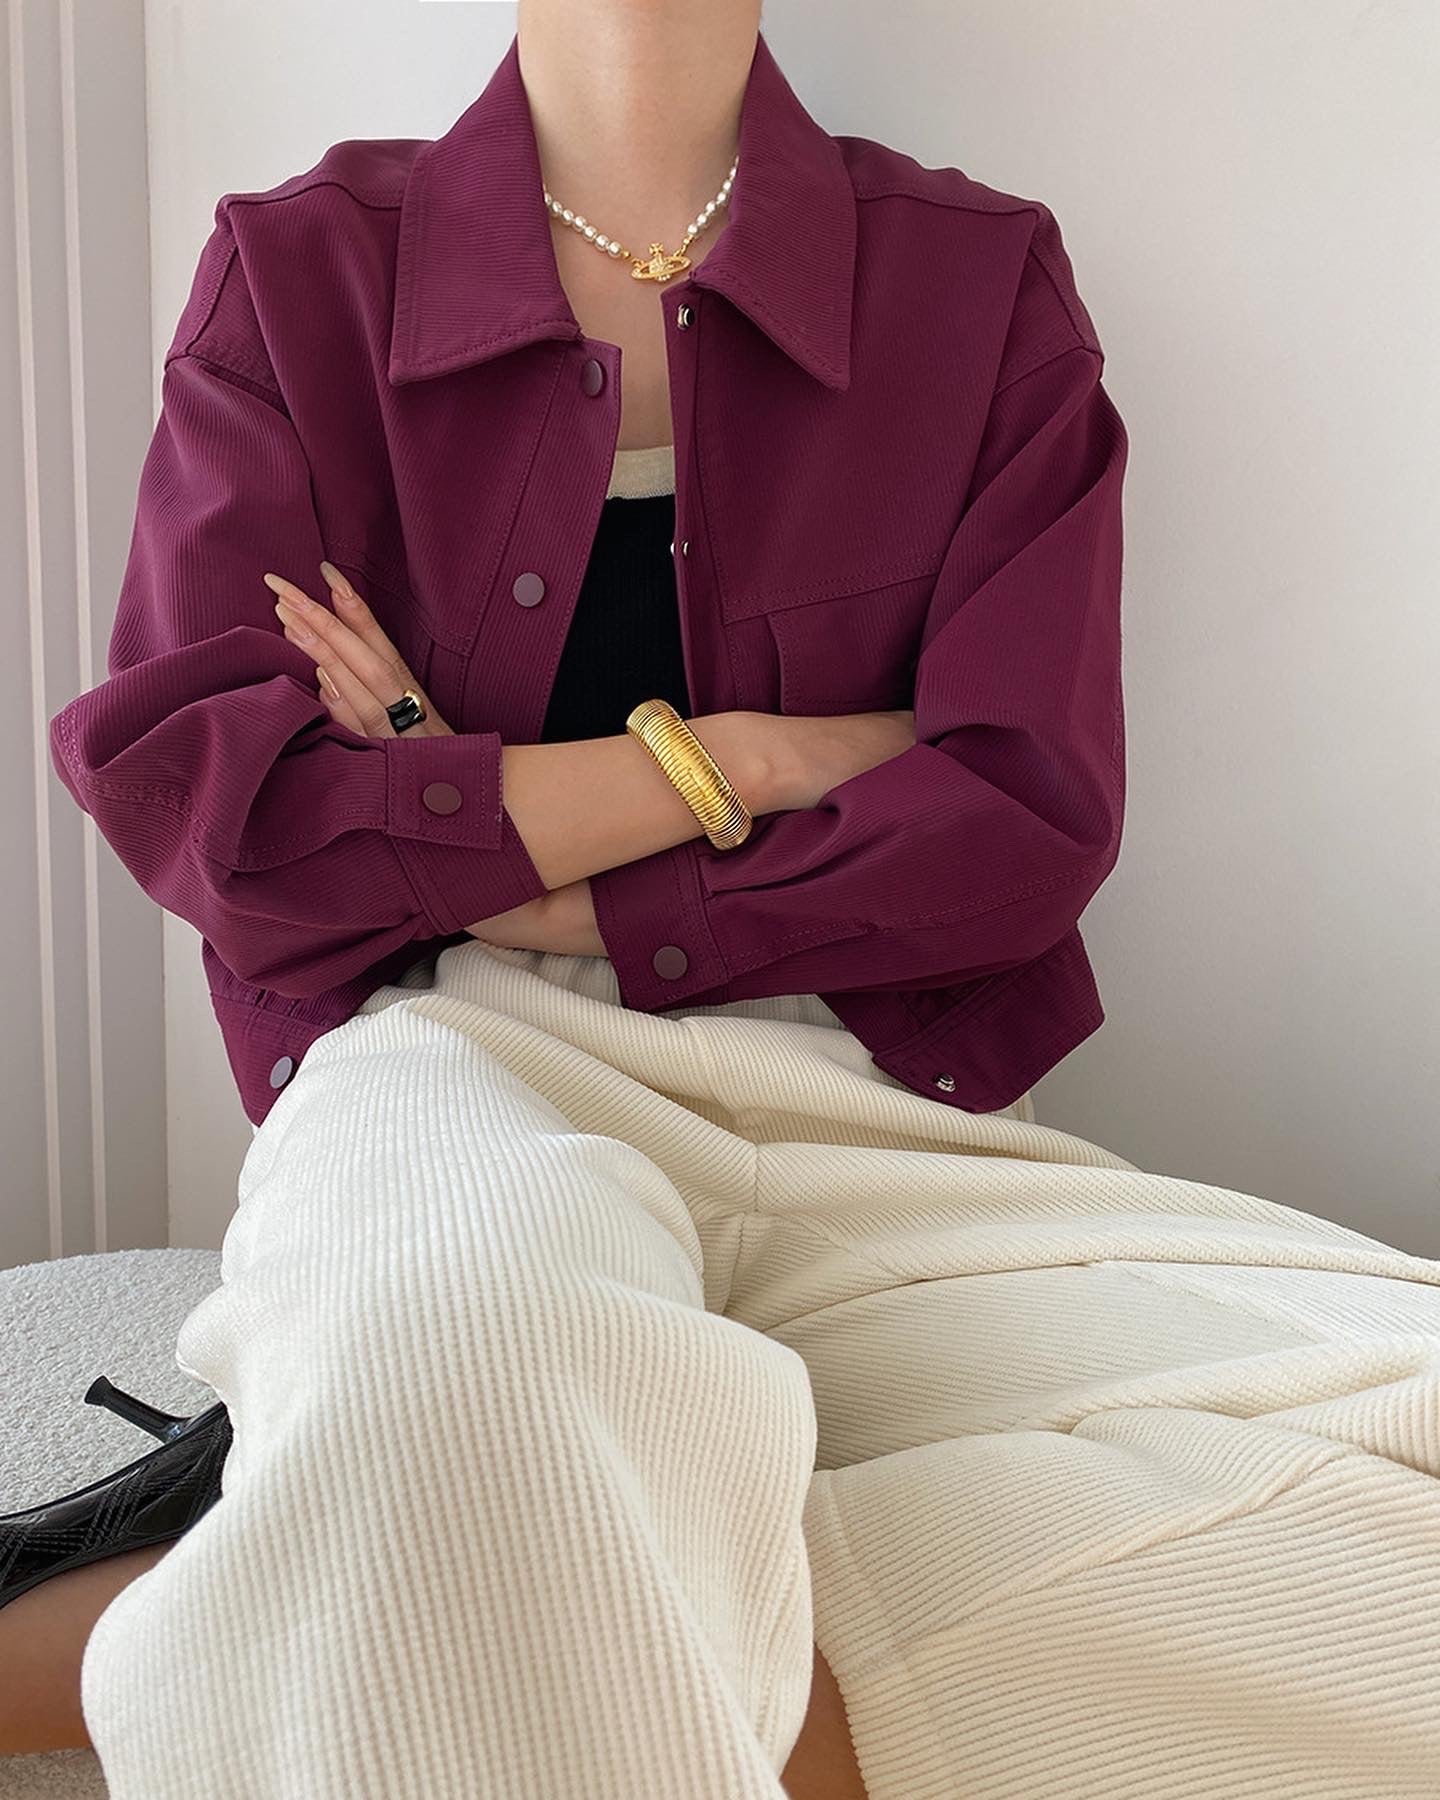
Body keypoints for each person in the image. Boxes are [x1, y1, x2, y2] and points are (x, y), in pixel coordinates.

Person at [8, 5, 1440, 1798]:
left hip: (866, 1098)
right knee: (466, 1380)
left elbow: (1023, 820)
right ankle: (434, 1561)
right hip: (457, 1053)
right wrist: (753, 761)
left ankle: (260, 1602)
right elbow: (229, 824)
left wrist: (474, 820)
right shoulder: (304, 273)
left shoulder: (977, 282)